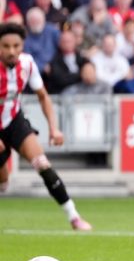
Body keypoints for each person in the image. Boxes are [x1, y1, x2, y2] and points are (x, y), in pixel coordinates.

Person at [0, 23, 92, 230]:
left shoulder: (28, 64)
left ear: (23, 45)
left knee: (42, 163)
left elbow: (43, 96)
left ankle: (74, 216)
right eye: (5, 46)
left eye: (16, 45)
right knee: (3, 184)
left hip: (13, 121)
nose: (11, 51)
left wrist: (54, 128)